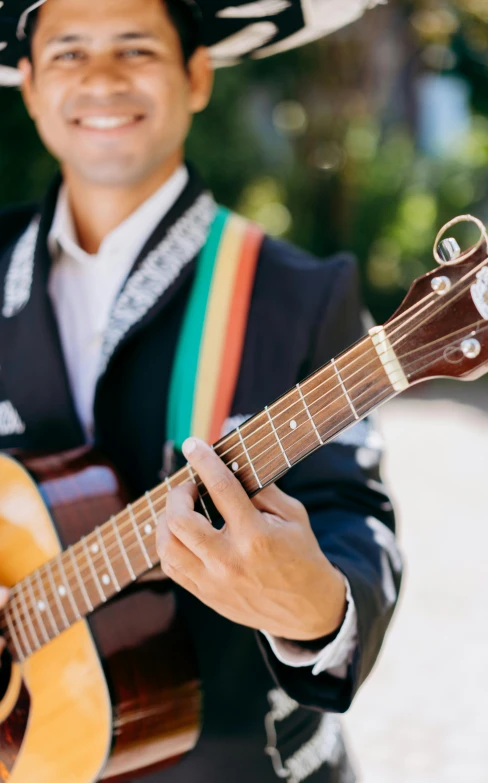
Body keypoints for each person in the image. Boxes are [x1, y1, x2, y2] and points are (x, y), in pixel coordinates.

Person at [0, 1, 403, 781]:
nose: (103, 80)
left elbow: (358, 518)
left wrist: (318, 610)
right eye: (69, 54)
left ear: (196, 75)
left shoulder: (299, 293)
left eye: (135, 48)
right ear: (28, 84)